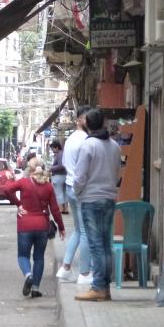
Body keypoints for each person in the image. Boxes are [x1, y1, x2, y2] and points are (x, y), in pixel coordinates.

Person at [73, 108, 122, 301]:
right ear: (103, 123)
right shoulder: (114, 146)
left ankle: (98, 287)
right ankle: (105, 287)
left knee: (96, 245)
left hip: (91, 200)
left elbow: (79, 176)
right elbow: (118, 171)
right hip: (109, 198)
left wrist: (78, 193)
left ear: (87, 125)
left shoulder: (88, 146)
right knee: (105, 244)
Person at [3, 162, 65, 298]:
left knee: (23, 256)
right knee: (38, 257)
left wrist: (18, 204)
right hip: (42, 226)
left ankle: (28, 274)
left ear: (30, 171)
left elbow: (7, 190)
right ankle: (35, 288)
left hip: (25, 225)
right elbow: (55, 209)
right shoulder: (48, 187)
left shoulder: (24, 182)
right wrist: (61, 227)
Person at [56, 105, 93, 284]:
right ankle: (85, 273)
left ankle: (66, 268)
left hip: (70, 187)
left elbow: (64, 162)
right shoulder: (85, 140)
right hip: (80, 189)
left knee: (79, 231)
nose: (89, 121)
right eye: (87, 118)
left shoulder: (70, 139)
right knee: (85, 232)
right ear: (79, 120)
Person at [49, 141, 68, 213]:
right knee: (65, 192)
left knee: (58, 192)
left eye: (52, 149)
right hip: (65, 175)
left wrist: (51, 168)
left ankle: (60, 208)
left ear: (56, 147)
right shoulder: (63, 153)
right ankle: (65, 209)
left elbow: (61, 165)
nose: (52, 151)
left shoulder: (59, 154)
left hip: (59, 176)